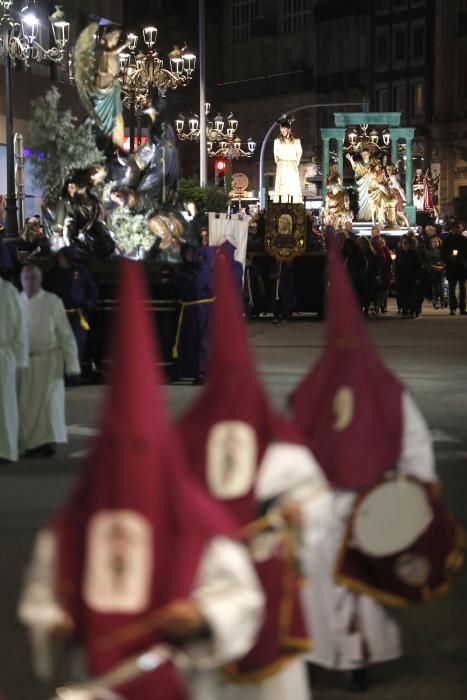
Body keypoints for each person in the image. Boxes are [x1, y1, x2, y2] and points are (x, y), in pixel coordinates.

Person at [19, 260, 264, 700]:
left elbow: (241, 597)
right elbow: (41, 596)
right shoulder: (71, 528)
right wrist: (53, 621)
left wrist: (203, 615)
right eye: (115, 451)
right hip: (96, 682)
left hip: (178, 680)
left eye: (139, 452)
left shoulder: (197, 524)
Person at [290, 236, 438, 693]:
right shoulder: (312, 391)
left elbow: (414, 447)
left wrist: (412, 493)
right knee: (315, 583)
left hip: (370, 500)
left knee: (361, 590)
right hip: (321, 504)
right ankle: (319, 651)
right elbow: (291, 448)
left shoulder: (385, 392)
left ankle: (356, 658)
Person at [178, 253, 316, 700]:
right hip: (201, 594)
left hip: (268, 576)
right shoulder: (183, 443)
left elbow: (314, 500)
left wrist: (300, 519)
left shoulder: (281, 447)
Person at [18, 265, 80, 457]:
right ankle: (32, 442)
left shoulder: (52, 302)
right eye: (26, 278)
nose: (29, 282)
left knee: (47, 403)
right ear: (21, 280)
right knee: (26, 404)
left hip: (49, 359)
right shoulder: (15, 301)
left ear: (40, 280)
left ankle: (46, 442)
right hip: (24, 362)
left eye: (33, 278)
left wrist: (72, 364)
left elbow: (65, 334)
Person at [45, 248, 98, 379]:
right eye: (59, 258)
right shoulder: (53, 273)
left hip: (76, 315)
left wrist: (88, 304)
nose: (61, 260)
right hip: (58, 315)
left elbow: (92, 290)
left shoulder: (81, 272)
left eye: (63, 258)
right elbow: (45, 290)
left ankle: (74, 376)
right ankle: (60, 376)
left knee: (76, 345)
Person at [172, 244, 214, 384]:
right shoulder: (184, 269)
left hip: (201, 310)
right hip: (187, 309)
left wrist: (183, 279)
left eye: (191, 253)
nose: (189, 256)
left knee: (201, 341)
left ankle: (201, 372)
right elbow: (178, 284)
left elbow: (197, 284)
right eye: (186, 253)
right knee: (185, 341)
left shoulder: (202, 269)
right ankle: (184, 371)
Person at [0, 277, 28, 463]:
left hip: (2, 355)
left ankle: (5, 449)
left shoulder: (8, 291)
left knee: (4, 405)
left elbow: (20, 327)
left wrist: (20, 360)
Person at [273, 118, 303, 203]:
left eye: (284, 130)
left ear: (289, 130)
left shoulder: (296, 141)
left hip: (292, 164)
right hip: (282, 165)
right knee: (281, 185)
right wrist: (279, 163)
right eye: (281, 131)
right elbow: (275, 154)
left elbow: (299, 152)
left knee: (292, 185)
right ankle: (281, 202)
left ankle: (294, 202)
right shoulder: (277, 142)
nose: (283, 132)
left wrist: (295, 162)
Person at [441, 223, 467, 315]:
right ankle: (453, 308)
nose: (457, 230)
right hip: (451, 267)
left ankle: (462, 308)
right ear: (452, 229)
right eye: (455, 228)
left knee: (462, 289)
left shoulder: (463, 240)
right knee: (451, 289)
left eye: (458, 228)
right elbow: (443, 253)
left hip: (461, 267)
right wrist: (450, 257)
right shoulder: (447, 240)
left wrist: (461, 258)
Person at [395, 236, 422, 319]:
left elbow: (418, 267)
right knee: (403, 295)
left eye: (406, 243)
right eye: (403, 243)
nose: (404, 245)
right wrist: (396, 276)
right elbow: (397, 266)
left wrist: (418, 278)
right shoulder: (400, 253)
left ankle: (412, 311)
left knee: (412, 295)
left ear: (410, 244)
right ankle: (405, 310)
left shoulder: (414, 254)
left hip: (412, 278)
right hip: (402, 278)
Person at [357, 236, 377, 317]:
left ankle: (365, 309)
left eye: (362, 243)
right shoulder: (358, 253)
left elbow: (373, 266)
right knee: (361, 294)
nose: (360, 245)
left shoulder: (370, 253)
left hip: (369, 276)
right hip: (361, 276)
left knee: (367, 294)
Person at [372, 235, 392, 313]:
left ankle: (381, 305)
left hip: (383, 272)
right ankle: (377, 305)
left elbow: (389, 260)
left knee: (383, 289)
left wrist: (387, 269)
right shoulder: (372, 250)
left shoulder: (384, 249)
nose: (377, 241)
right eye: (375, 240)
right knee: (376, 290)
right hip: (375, 272)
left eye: (378, 240)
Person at [427, 236, 446, 309]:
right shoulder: (429, 252)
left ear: (439, 242)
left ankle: (442, 302)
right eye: (433, 242)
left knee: (441, 288)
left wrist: (443, 267)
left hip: (442, 271)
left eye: (435, 242)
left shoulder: (443, 251)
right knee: (434, 288)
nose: (434, 243)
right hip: (434, 272)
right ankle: (435, 303)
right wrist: (436, 267)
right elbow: (429, 263)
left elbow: (445, 260)